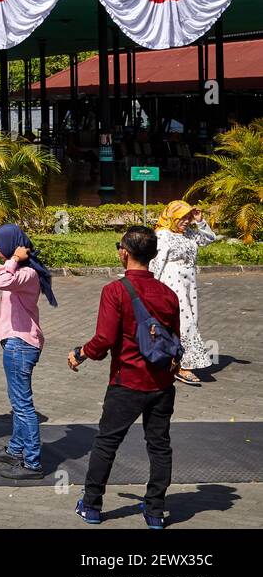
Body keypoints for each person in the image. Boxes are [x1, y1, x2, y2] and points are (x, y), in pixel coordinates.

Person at [68, 226, 180, 529]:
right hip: (161, 384)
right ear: (154, 255)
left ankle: (91, 506)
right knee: (159, 446)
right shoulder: (169, 295)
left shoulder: (115, 291)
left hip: (126, 381)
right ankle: (155, 512)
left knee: (106, 443)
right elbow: (175, 340)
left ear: (123, 253)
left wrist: (81, 352)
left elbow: (104, 339)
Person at [0, 223, 59, 480]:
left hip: (21, 344)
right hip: (16, 342)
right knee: (17, 403)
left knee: (23, 405)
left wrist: (15, 259)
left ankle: (32, 462)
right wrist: (12, 260)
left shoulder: (26, 273)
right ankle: (17, 449)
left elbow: (2, 282)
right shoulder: (22, 270)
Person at [150, 200, 216, 386]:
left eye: (188, 217)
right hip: (171, 283)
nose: (186, 221)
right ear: (172, 216)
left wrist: (200, 221)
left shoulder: (188, 234)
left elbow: (209, 239)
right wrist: (152, 289)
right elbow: (156, 264)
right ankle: (183, 366)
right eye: (182, 217)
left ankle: (174, 360)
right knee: (183, 323)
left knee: (190, 320)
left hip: (189, 284)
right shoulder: (163, 235)